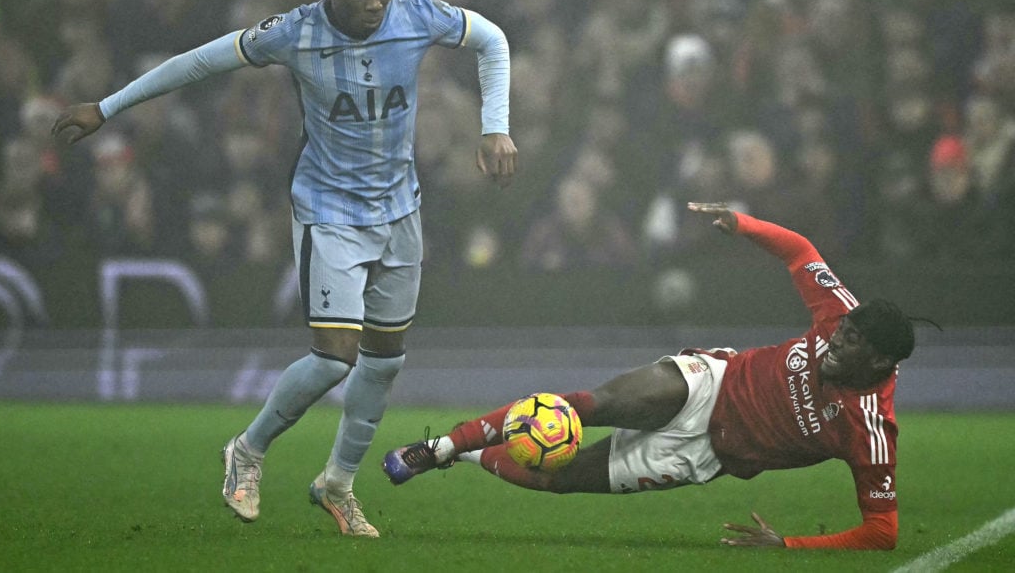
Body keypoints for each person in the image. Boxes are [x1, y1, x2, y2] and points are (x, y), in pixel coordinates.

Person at [52, 0, 517, 538]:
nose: (376, 3)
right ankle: (247, 449)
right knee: (334, 359)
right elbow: (198, 63)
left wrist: (495, 125)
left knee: (383, 363)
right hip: (328, 210)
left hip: (401, 210)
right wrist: (106, 108)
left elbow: (493, 40)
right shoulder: (295, 32)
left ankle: (338, 484)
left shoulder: (418, 13)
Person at [384, 201, 921, 550]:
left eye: (850, 343)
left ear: (878, 363)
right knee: (584, 406)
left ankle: (475, 451)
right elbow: (800, 251)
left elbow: (883, 532)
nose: (836, 342)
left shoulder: (870, 430)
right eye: (842, 330)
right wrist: (744, 224)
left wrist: (788, 546)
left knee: (555, 478)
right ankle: (438, 448)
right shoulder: (837, 311)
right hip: (711, 381)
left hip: (705, 454)